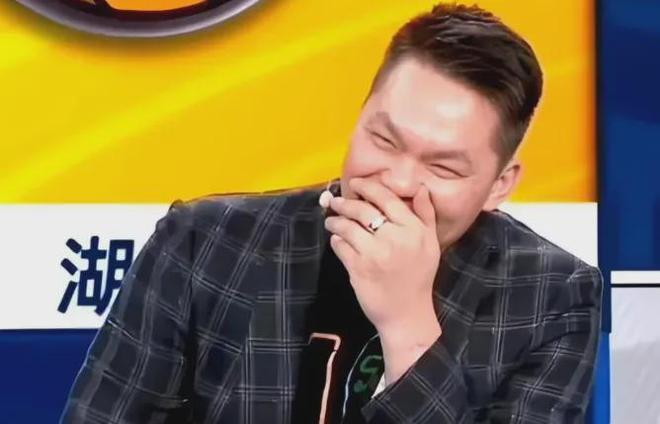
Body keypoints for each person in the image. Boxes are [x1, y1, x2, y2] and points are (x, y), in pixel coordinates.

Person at [61, 3, 602, 423]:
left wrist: (407, 325)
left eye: (443, 168)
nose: (398, 182)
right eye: (383, 140)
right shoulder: (203, 243)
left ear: (499, 186)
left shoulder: (552, 297)